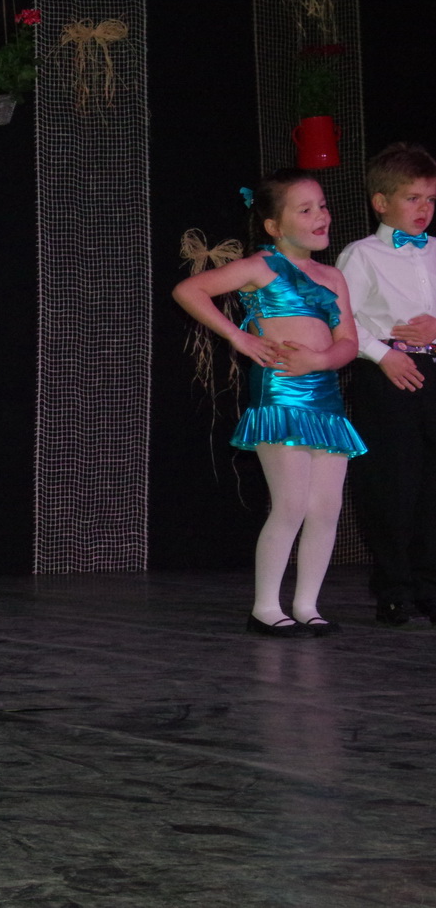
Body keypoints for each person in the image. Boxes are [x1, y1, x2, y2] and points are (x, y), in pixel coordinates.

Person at [172, 170, 365, 638]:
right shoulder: (262, 266)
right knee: (291, 503)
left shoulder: (333, 276)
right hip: (281, 393)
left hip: (325, 398)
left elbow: (348, 342)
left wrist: (321, 359)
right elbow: (188, 290)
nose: (320, 216)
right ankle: (264, 607)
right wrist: (239, 338)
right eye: (306, 209)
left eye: (322, 206)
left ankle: (307, 604)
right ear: (274, 226)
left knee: (326, 507)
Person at [334, 143, 436, 626]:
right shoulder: (362, 255)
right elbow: (340, 318)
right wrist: (383, 355)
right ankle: (393, 585)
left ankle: (428, 584)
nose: (424, 209)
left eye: (430, 199)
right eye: (413, 198)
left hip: (433, 370)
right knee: (392, 483)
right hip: (387, 373)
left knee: (431, 485)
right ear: (381, 202)